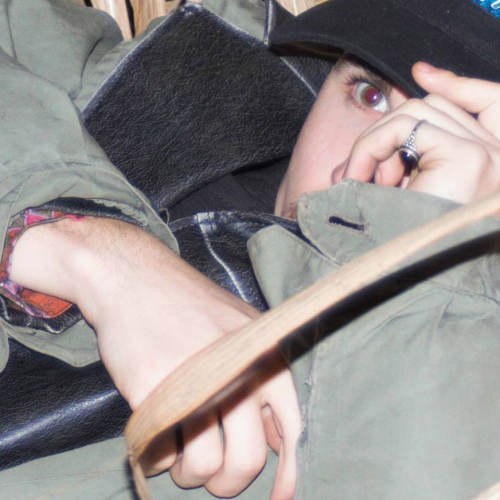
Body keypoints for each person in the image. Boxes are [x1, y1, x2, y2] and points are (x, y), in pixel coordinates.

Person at [2, 1, 500, 500]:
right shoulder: (141, 85)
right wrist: (93, 247)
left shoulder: (461, 395)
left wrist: (435, 270)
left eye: (453, 141)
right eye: (369, 95)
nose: (366, 163)